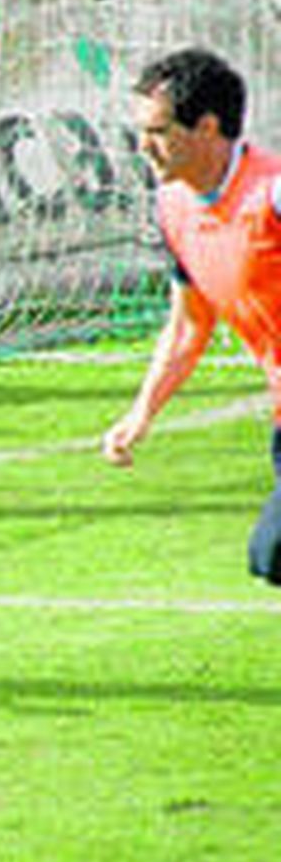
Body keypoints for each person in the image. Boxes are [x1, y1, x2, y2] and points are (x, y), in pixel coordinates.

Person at [102, 48, 281, 584]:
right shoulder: (174, 207)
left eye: (158, 131)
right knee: (271, 558)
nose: (144, 146)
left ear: (206, 127)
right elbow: (188, 325)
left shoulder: (271, 194)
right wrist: (142, 413)